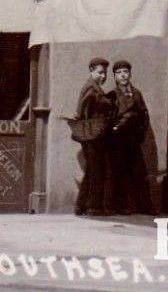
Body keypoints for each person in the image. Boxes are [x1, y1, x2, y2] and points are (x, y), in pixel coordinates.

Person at [105, 60, 152, 215]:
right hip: (118, 140)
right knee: (119, 173)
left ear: (130, 74)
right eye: (119, 73)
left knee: (139, 172)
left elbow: (145, 115)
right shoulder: (112, 95)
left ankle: (145, 206)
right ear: (114, 77)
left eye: (125, 72)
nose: (123, 75)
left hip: (133, 138)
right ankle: (120, 206)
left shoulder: (137, 93)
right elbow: (109, 117)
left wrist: (141, 132)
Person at [74, 56, 114, 216]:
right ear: (91, 70)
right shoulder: (91, 88)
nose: (103, 76)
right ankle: (93, 207)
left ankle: (81, 206)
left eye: (105, 73)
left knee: (91, 170)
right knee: (97, 171)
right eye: (100, 72)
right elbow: (81, 110)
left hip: (91, 134)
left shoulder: (93, 86)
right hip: (92, 135)